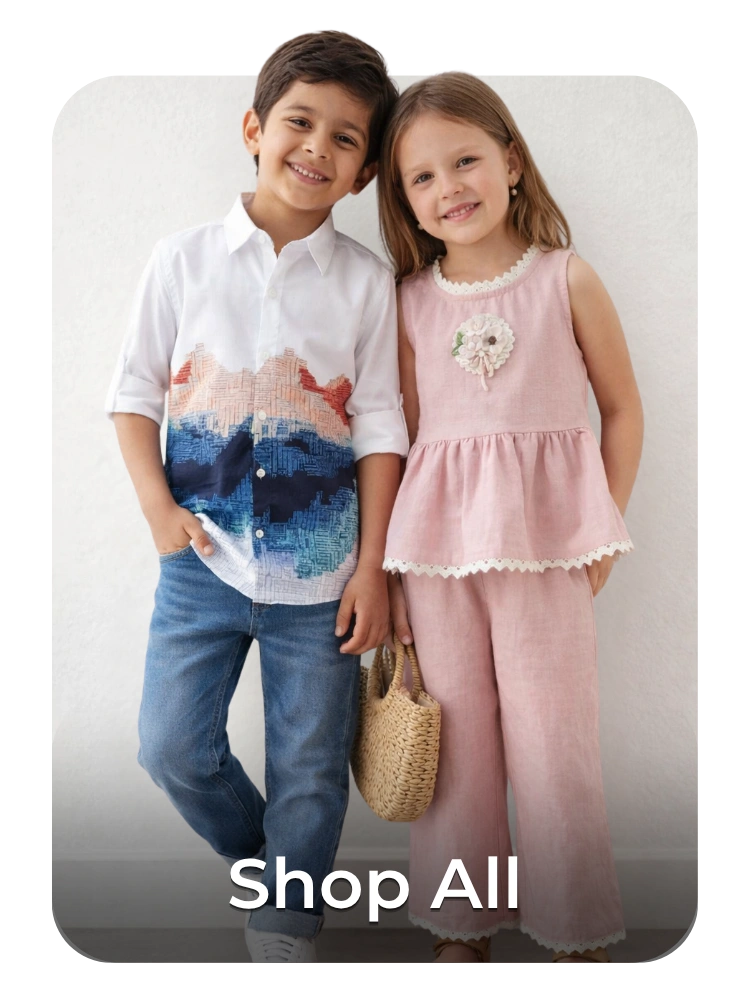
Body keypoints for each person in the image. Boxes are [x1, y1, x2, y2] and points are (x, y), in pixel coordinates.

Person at [105, 35, 408, 967]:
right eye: (299, 122)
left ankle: (286, 925)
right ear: (254, 129)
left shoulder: (368, 284)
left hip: (322, 578)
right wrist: (157, 510)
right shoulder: (183, 260)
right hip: (200, 562)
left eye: (346, 138)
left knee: (311, 767)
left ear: (364, 172)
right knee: (171, 748)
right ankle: (278, 870)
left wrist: (373, 567)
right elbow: (133, 394)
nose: (317, 147)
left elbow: (381, 428)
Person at [379, 73, 644, 964]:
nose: (448, 188)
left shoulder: (566, 278)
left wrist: (605, 528)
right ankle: (465, 927)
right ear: (403, 199)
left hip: (547, 553)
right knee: (458, 751)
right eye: (422, 177)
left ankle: (576, 932)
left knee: (555, 747)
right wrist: (392, 575)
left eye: (466, 162)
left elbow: (622, 411)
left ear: (513, 163)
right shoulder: (409, 303)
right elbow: (405, 439)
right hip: (435, 560)